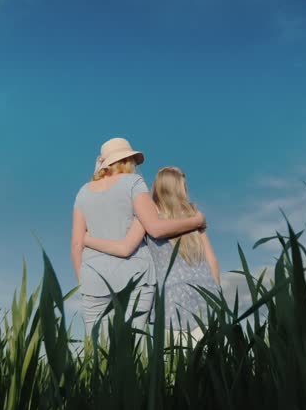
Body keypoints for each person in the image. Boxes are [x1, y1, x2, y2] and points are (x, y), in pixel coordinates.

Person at [71, 139, 205, 336]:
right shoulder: (133, 183)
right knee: (129, 349)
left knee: (97, 355)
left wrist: (84, 283)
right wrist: (196, 221)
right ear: (128, 160)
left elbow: (76, 244)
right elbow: (156, 229)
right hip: (134, 277)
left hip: (93, 280)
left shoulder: (83, 192)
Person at [84, 166, 220, 343]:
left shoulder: (149, 214)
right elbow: (212, 261)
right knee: (212, 367)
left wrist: (87, 240)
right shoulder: (194, 216)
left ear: (157, 186)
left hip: (171, 302)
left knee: (178, 368)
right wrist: (217, 296)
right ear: (181, 188)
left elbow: (125, 248)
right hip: (207, 299)